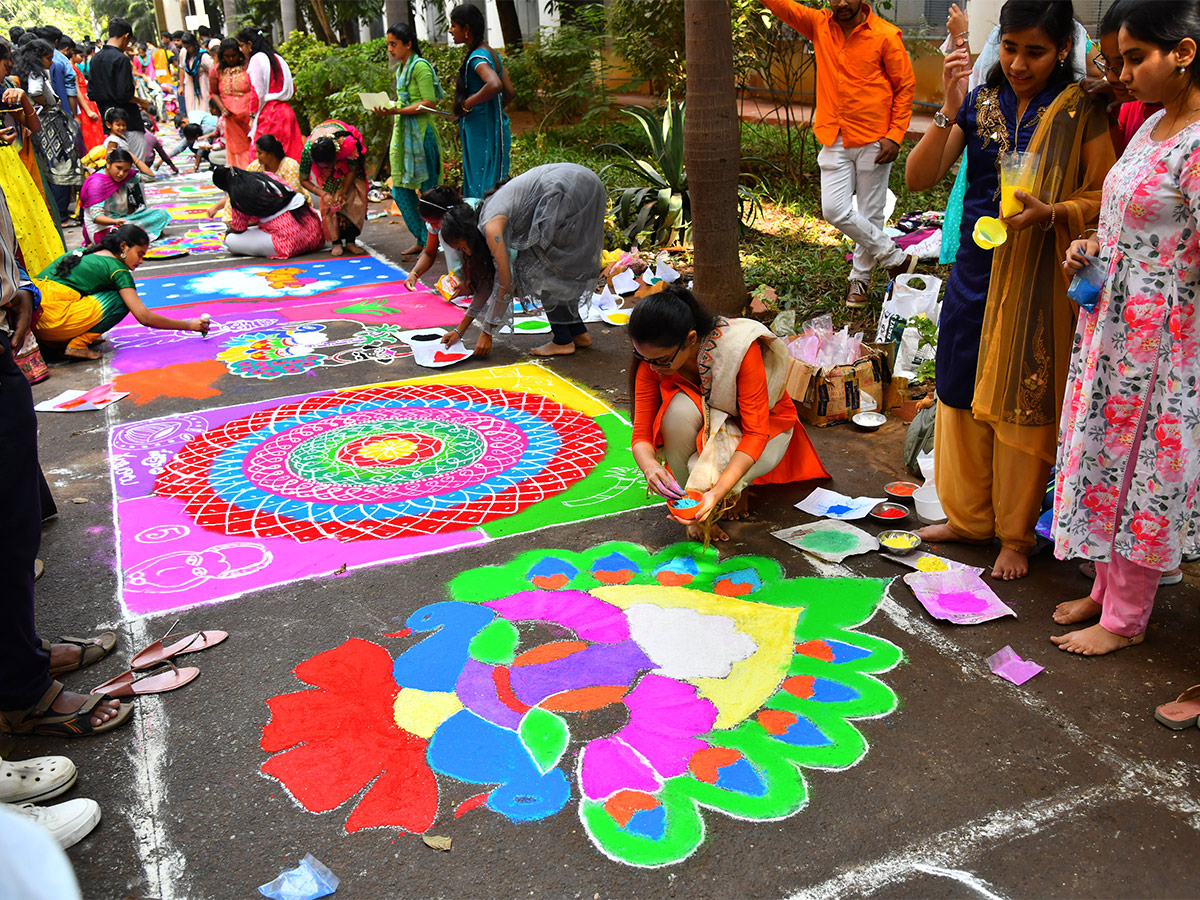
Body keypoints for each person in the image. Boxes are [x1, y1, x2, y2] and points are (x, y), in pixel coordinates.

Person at [905, 0, 1114, 581]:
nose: (1018, 63)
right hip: (975, 270)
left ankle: (1016, 535)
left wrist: (1055, 212)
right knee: (958, 382)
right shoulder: (977, 102)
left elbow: (1104, 197)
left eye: (1035, 51)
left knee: (1024, 395)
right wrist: (947, 110)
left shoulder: (1081, 112)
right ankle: (968, 519)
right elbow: (919, 177)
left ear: (1063, 49)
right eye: (1010, 47)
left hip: (1037, 280)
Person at [1053, 0, 1200, 655]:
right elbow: (1126, 216)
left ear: (1185, 53)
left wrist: (1156, 281)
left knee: (1145, 469)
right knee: (1107, 459)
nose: (1123, 73)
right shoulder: (1154, 126)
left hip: (1164, 345)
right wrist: (1088, 245)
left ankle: (1126, 618)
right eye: (1118, 61)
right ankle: (1105, 588)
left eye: (1136, 58)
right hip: (1112, 333)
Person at [0, 190, 131, 741]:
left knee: (16, 523)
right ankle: (21, 693)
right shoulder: (114, 271)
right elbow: (141, 311)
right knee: (4, 531)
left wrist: (21, 289)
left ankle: (23, 653)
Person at [629, 285, 830, 541]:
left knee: (700, 470)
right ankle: (690, 506)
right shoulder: (653, 360)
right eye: (642, 357)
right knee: (677, 412)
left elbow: (756, 432)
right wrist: (650, 468)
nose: (652, 368)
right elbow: (641, 436)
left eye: (662, 360)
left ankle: (730, 491)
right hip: (708, 425)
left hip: (765, 430)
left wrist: (717, 493)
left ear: (691, 339)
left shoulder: (738, 349)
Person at [762, 0, 919, 308]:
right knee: (834, 210)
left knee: (870, 212)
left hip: (875, 138)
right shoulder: (819, 24)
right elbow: (784, 7)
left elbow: (905, 87)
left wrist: (895, 136)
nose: (842, 3)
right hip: (833, 135)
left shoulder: (886, 35)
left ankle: (859, 280)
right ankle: (893, 258)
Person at [438, 162, 606, 358]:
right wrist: (460, 330)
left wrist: (487, 332)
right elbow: (486, 283)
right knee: (557, 268)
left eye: (463, 247)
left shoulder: (491, 227)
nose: (466, 253)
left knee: (542, 270)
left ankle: (563, 340)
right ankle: (578, 333)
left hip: (564, 190)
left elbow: (505, 281)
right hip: (582, 182)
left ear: (469, 234)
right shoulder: (486, 216)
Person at [33, 223, 209, 359]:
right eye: (140, 254)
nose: (141, 261)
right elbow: (144, 317)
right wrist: (189, 325)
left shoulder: (83, 252)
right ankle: (78, 344)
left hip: (35, 320)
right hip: (53, 320)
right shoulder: (118, 270)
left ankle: (67, 338)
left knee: (103, 293)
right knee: (120, 300)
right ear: (124, 247)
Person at [376, 22, 443, 256]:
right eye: (388, 45)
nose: (390, 49)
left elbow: (429, 103)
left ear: (408, 44)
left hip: (421, 136)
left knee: (428, 193)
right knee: (400, 191)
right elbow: (404, 102)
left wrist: (396, 111)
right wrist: (389, 107)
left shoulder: (420, 67)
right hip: (403, 137)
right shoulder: (401, 69)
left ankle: (436, 241)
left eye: (394, 44)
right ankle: (422, 238)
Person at [14, 39, 82, 225]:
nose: (51, 63)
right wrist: (46, 103)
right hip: (48, 123)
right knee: (60, 168)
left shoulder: (21, 72)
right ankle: (61, 215)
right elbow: (36, 92)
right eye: (48, 58)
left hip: (37, 123)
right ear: (37, 58)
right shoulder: (36, 73)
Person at [0, 81, 64, 274]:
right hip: (8, 166)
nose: (6, 70)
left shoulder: (6, 90)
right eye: (4, 65)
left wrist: (23, 98)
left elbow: (34, 126)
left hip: (10, 164)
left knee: (23, 224)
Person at [449, 3, 511, 199]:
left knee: (480, 189)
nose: (450, 31)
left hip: (479, 133)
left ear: (466, 29)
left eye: (453, 26)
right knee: (495, 188)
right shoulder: (491, 53)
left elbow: (494, 85)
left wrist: (468, 104)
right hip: (492, 129)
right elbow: (510, 91)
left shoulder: (477, 58)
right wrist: (494, 112)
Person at [215, 165, 323, 258]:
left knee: (231, 240)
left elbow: (240, 228)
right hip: (314, 232)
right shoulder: (266, 175)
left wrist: (230, 231)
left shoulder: (239, 195)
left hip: (289, 241)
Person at [299, 119, 367, 257]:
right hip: (328, 174)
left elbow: (353, 170)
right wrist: (323, 194)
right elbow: (303, 179)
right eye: (322, 167)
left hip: (349, 166)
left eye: (328, 165)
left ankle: (350, 240)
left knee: (354, 199)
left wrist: (343, 190)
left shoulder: (347, 144)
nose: (327, 168)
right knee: (329, 205)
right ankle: (335, 241)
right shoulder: (307, 151)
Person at [236, 27, 303, 160]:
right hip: (286, 112)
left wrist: (252, 116)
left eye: (242, 46)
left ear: (250, 45)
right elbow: (292, 88)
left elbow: (257, 93)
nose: (240, 50)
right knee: (289, 156)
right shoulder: (277, 58)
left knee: (261, 157)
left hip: (269, 115)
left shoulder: (256, 60)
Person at [79, 147, 169, 244]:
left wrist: (133, 157)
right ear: (108, 163)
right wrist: (116, 222)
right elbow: (96, 217)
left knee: (161, 214)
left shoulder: (126, 177)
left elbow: (149, 176)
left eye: (126, 170)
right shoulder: (97, 183)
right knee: (125, 231)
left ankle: (138, 234)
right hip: (104, 228)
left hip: (123, 220)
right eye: (118, 168)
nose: (121, 174)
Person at [209, 133, 305, 221]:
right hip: (264, 210)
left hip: (289, 210)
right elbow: (240, 190)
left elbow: (293, 195)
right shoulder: (256, 166)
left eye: (260, 153)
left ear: (271, 153)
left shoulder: (290, 165)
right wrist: (216, 207)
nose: (257, 156)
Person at [402, 184, 471, 296]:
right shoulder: (438, 222)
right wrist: (414, 274)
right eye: (429, 223)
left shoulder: (473, 220)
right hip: (461, 284)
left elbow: (483, 258)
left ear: (449, 214)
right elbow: (429, 253)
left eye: (434, 223)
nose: (433, 227)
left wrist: (471, 283)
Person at [87, 18, 146, 135]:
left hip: (108, 120)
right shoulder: (121, 59)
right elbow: (125, 94)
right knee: (135, 153)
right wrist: (142, 102)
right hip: (127, 121)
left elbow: (91, 93)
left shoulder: (95, 59)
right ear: (126, 36)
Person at [209, 37, 252, 168]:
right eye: (227, 56)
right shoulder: (216, 70)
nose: (231, 59)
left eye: (234, 56)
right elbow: (213, 92)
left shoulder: (248, 66)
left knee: (253, 146)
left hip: (249, 115)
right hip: (231, 117)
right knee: (237, 150)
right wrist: (222, 108)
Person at [68, 42, 103, 149]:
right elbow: (76, 89)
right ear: (73, 54)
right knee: (91, 131)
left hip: (86, 100)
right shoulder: (72, 68)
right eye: (81, 56)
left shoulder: (74, 67)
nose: (82, 59)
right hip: (84, 103)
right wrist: (88, 110)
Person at [178, 32, 211, 123]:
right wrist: (181, 85)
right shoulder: (184, 53)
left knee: (204, 112)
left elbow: (213, 71)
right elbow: (182, 68)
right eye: (185, 47)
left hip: (203, 88)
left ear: (194, 44)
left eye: (189, 47)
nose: (187, 50)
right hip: (189, 87)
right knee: (191, 111)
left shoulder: (203, 56)